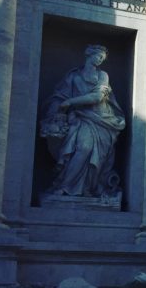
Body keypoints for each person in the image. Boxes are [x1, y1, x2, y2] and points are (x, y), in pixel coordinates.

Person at [39, 45, 126, 198]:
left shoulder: (102, 75)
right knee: (82, 149)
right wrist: (57, 111)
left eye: (102, 58)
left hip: (102, 120)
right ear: (89, 55)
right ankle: (67, 187)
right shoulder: (73, 76)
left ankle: (79, 188)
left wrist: (71, 102)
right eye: (98, 56)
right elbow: (60, 97)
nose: (100, 59)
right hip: (79, 118)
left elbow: (97, 97)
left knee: (88, 150)